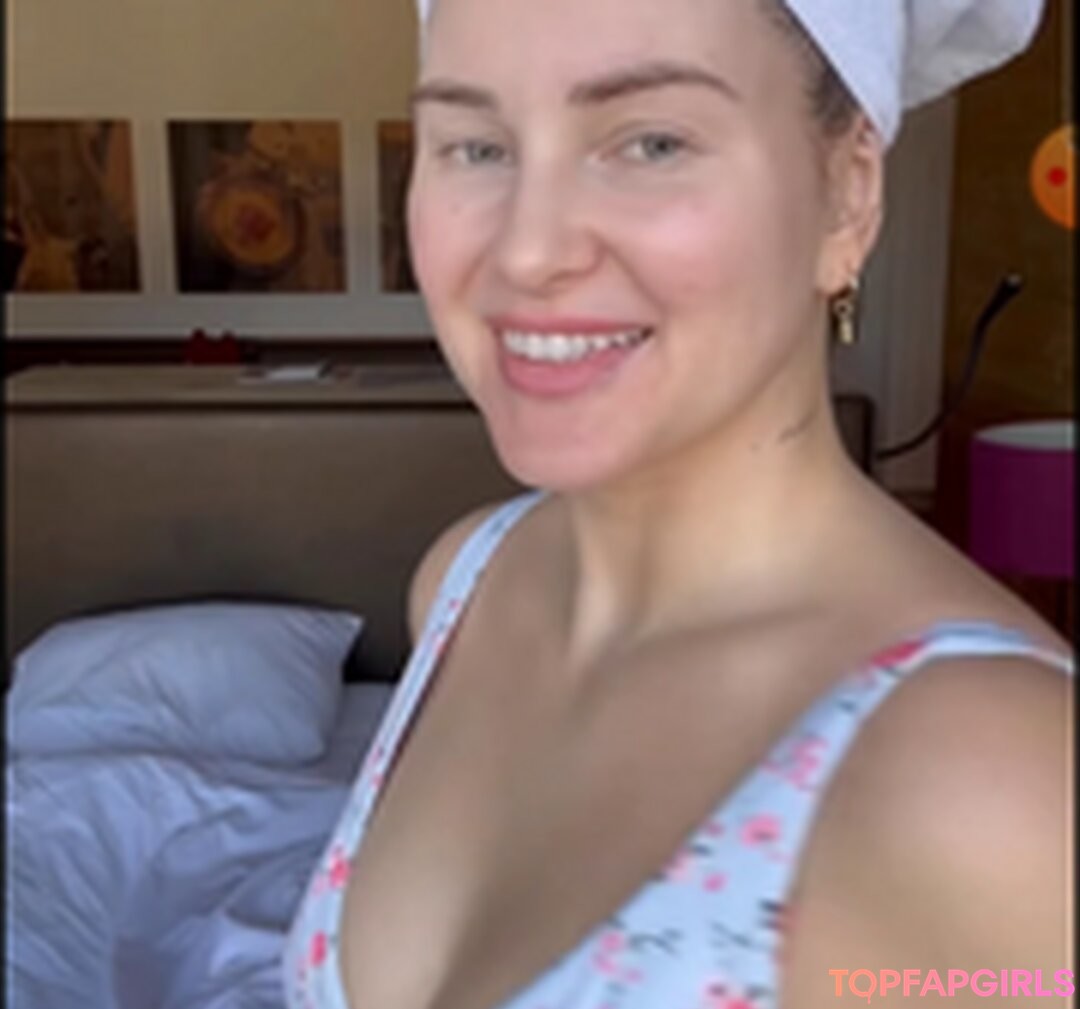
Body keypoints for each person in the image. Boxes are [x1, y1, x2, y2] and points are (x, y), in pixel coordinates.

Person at [286, 1, 1074, 1006]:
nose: (527, 250)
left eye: (651, 142)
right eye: (476, 146)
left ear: (847, 196)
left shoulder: (992, 786)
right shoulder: (466, 583)